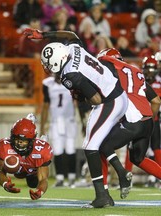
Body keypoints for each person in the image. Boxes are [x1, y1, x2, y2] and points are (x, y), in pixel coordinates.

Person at [24, 28, 128, 208]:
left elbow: (96, 99)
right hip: (117, 92)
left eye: (48, 64)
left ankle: (102, 196)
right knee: (98, 143)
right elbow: (71, 35)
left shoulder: (68, 74)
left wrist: (80, 95)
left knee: (90, 146)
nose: (47, 68)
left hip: (109, 101)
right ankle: (119, 174)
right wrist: (44, 35)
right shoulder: (73, 48)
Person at [96, 48, 161, 198]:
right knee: (138, 158)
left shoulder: (111, 73)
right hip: (148, 121)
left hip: (134, 120)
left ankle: (104, 192)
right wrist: (149, 118)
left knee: (100, 146)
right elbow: (156, 101)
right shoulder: (135, 72)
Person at [0, 116, 53, 200]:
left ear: (32, 141)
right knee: (15, 171)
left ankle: (40, 137)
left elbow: (43, 178)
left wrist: (40, 192)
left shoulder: (42, 151)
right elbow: (0, 171)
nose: (19, 144)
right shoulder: (4, 147)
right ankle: (28, 121)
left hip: (32, 169)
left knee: (32, 184)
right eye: (17, 140)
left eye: (24, 141)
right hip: (17, 169)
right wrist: (5, 184)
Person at [40, 74, 77, 187]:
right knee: (57, 150)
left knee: (70, 149)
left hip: (69, 120)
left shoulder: (71, 82)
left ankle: (72, 177)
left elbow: (78, 102)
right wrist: (42, 126)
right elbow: (46, 105)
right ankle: (60, 178)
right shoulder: (48, 84)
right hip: (56, 121)